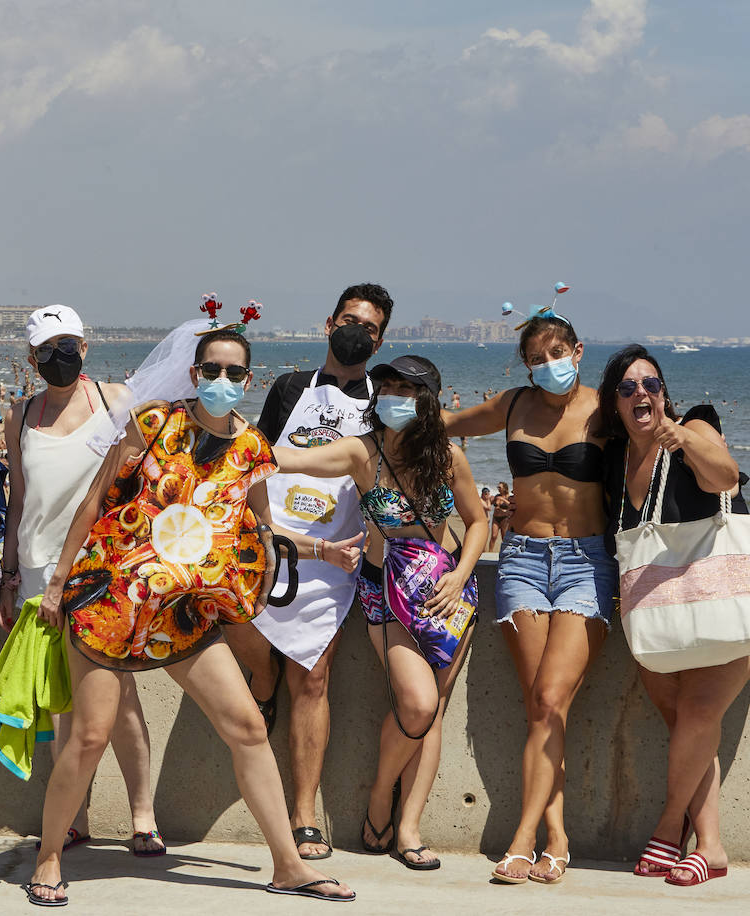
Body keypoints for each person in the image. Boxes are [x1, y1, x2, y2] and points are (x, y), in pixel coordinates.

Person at [24, 328, 357, 905]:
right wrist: (57, 583)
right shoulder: (154, 423)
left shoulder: (253, 447)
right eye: (211, 369)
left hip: (183, 613)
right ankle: (49, 858)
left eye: (233, 373)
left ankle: (287, 865)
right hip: (112, 600)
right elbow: (96, 499)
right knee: (90, 736)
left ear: (248, 380)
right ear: (195, 372)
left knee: (248, 728)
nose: (221, 381)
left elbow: (256, 531)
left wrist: (319, 550)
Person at [271, 355, 487, 870]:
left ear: (428, 400)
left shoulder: (449, 457)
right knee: (416, 704)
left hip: (447, 593)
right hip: (384, 589)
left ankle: (407, 826)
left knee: (432, 710)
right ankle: (378, 793)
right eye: (387, 387)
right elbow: (283, 458)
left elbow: (477, 522)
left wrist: (459, 576)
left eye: (408, 390)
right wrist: (220, 439)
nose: (395, 397)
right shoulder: (359, 453)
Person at [598, 344, 750, 888]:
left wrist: (683, 440)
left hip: (732, 598)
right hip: (661, 609)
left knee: (700, 711)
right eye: (629, 387)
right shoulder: (615, 459)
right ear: (615, 402)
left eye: (651, 384)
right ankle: (712, 847)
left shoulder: (694, 426)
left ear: (665, 393)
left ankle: (668, 826)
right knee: (687, 726)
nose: (642, 394)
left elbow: (725, 478)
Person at [444, 310, 614, 885]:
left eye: (557, 353)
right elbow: (446, 423)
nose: (549, 366)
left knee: (548, 699)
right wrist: (382, 412)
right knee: (542, 709)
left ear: (579, 350)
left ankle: (523, 838)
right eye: (537, 358)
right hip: (519, 560)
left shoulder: (604, 408)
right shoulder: (514, 405)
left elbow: (651, 457)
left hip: (585, 564)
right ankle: (558, 838)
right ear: (525, 365)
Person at [223, 283, 391, 860]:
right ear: (328, 323)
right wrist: (263, 532)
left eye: (369, 328)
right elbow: (258, 457)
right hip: (275, 544)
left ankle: (304, 812)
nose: (357, 332)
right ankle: (262, 682)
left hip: (336, 556)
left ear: (381, 338)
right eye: (349, 320)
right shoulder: (291, 387)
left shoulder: (379, 401)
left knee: (314, 680)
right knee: (242, 634)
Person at [0, 305, 162, 855]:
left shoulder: (116, 401)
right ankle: (75, 817)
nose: (59, 358)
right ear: (32, 357)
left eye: (68, 346)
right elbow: (19, 500)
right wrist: (8, 572)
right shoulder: (19, 415)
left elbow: (142, 478)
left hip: (105, 571)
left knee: (122, 698)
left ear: (85, 348)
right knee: (58, 700)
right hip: (38, 572)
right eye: (47, 350)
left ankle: (143, 814)